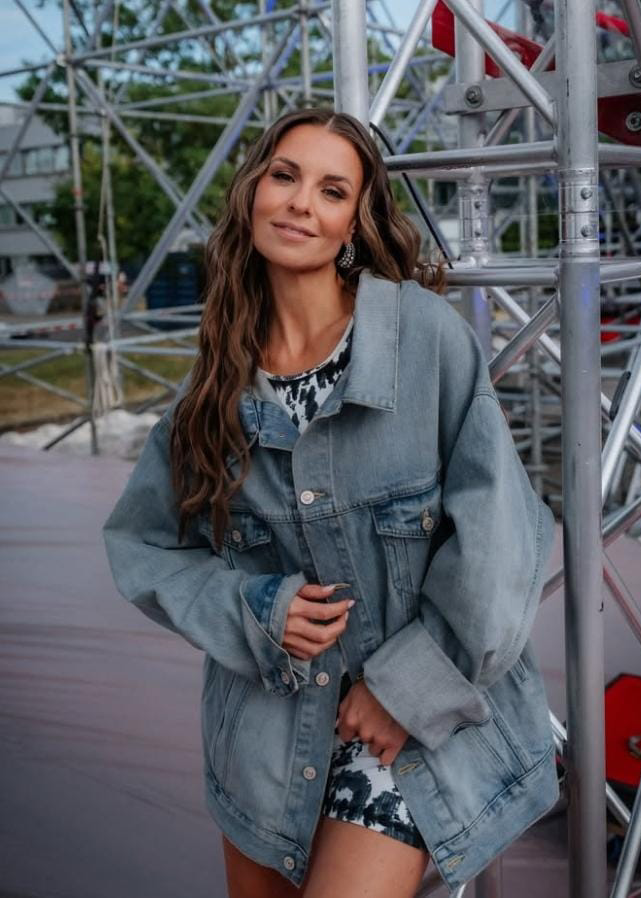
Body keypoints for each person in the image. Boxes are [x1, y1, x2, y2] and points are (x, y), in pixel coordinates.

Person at [103, 107, 558, 898]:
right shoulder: (214, 389)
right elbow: (143, 545)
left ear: (354, 222)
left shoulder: (422, 337)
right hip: (268, 740)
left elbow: (502, 539)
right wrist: (257, 609)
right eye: (284, 176)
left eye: (332, 189)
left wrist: (406, 689)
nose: (300, 203)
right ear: (252, 193)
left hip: (409, 729)